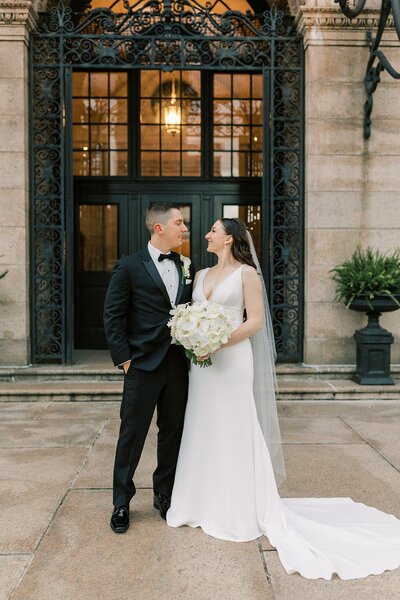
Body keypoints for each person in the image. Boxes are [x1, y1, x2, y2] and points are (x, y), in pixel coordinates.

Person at [167, 217, 400, 580]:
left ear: (229, 239)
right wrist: (193, 338)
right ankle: (197, 502)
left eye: (214, 231)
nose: (207, 235)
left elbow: (255, 321)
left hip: (231, 359)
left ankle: (239, 508)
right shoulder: (199, 276)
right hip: (203, 364)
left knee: (234, 426)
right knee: (202, 425)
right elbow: (193, 316)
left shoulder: (247, 275)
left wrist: (216, 340)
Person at [104, 202, 194, 534]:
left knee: (173, 432)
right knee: (132, 434)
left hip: (176, 364)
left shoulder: (187, 264)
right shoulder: (128, 267)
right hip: (141, 364)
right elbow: (112, 316)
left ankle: (164, 495)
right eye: (180, 223)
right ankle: (121, 502)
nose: (185, 229)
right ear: (160, 228)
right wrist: (125, 360)